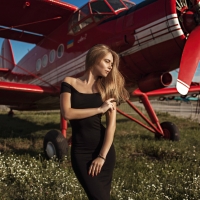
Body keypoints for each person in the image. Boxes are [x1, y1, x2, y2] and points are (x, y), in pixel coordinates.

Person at [60, 44, 129, 200]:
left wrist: (102, 156)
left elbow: (111, 127)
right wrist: (99, 110)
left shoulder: (107, 89)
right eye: (107, 61)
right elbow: (67, 113)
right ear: (94, 59)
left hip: (103, 151)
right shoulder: (69, 82)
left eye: (112, 64)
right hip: (80, 152)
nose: (110, 67)